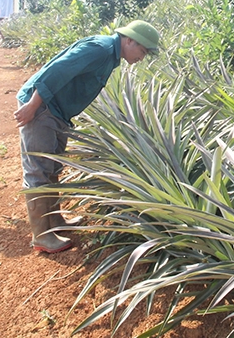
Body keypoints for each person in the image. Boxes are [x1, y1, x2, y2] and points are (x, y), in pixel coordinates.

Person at [13, 20, 160, 253]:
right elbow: (57, 70)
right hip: (43, 106)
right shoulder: (100, 50)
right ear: (129, 40)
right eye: (142, 51)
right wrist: (33, 105)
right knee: (38, 170)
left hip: (57, 110)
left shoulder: (110, 56)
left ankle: (55, 221)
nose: (141, 57)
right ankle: (42, 236)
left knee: (52, 167)